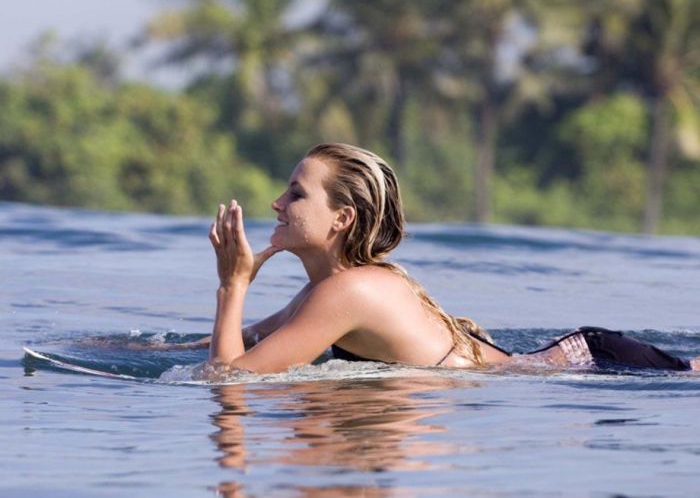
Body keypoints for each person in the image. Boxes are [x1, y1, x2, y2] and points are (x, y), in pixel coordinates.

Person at [198, 143, 698, 374]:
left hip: (592, 366)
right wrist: (129, 354)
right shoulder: (326, 291)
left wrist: (232, 284)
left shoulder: (346, 292)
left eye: (296, 194)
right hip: (578, 360)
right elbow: (236, 343)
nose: (277, 204)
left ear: (341, 219)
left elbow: (229, 380)